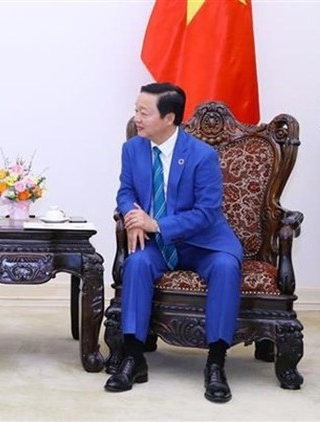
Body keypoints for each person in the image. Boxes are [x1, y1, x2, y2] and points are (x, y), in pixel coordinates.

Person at [104, 83, 243, 403]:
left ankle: (216, 362)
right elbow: (125, 192)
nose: (136, 117)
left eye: (144, 112)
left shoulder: (201, 155)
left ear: (169, 118)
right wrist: (132, 217)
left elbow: (207, 213)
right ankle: (134, 357)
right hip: (158, 244)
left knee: (225, 267)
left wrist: (156, 224)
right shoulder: (133, 148)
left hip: (204, 242)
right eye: (135, 110)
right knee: (136, 263)